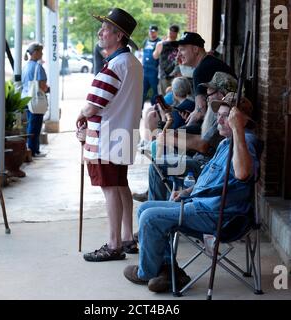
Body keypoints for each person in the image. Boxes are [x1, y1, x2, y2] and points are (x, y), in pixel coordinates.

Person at [124, 92, 259, 293]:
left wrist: (238, 129)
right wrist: (187, 191)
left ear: (239, 120)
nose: (219, 120)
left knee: (151, 218)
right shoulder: (225, 143)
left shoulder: (246, 141)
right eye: (219, 115)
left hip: (221, 216)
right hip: (202, 205)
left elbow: (243, 173)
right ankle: (169, 271)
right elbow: (211, 179)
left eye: (226, 116)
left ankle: (147, 273)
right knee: (146, 209)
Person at [76, 8, 143, 262]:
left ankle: (115, 244)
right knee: (120, 184)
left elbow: (93, 106)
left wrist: (80, 114)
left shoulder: (114, 66)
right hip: (123, 135)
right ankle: (126, 237)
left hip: (107, 138)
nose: (100, 32)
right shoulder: (132, 64)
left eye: (105, 29)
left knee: (110, 188)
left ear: (118, 36)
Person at [133, 72, 237, 202]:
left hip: (205, 164)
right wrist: (180, 132)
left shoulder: (224, 116)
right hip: (199, 158)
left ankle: (156, 205)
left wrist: (171, 138)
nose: (206, 98)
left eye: (209, 95)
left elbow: (203, 145)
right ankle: (159, 199)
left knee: (158, 165)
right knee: (164, 155)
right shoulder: (215, 113)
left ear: (221, 95)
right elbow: (202, 137)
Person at [176, 32, 235, 127]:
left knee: (170, 136)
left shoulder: (200, 70)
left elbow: (200, 112)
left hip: (223, 125)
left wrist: (187, 125)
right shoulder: (211, 62)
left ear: (195, 49)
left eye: (182, 50)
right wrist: (193, 114)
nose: (178, 55)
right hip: (227, 120)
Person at [22, 42, 49, 157]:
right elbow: (43, 86)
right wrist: (47, 89)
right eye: (41, 51)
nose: (42, 54)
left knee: (30, 124)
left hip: (26, 99)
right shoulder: (38, 67)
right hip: (36, 100)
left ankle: (31, 149)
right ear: (36, 52)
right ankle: (33, 150)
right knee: (35, 126)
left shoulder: (25, 67)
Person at [153, 25, 180, 95]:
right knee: (165, 98)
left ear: (177, 33)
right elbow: (155, 56)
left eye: (174, 32)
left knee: (175, 97)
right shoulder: (161, 44)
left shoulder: (180, 44)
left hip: (176, 74)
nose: (171, 33)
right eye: (171, 31)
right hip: (164, 75)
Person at [142, 25, 161, 106]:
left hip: (154, 71)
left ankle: (154, 111)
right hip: (144, 70)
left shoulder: (159, 42)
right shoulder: (146, 41)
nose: (152, 34)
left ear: (156, 32)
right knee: (142, 92)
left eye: (153, 32)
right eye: (150, 32)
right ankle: (139, 113)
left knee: (155, 92)